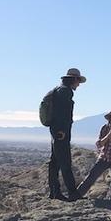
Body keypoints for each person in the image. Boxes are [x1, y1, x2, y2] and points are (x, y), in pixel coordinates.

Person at [77, 105, 111, 203]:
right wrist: (108, 136)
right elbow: (99, 144)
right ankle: (76, 196)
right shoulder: (105, 128)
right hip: (104, 158)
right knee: (91, 178)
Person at [47, 68, 86, 202]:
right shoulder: (65, 91)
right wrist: (62, 130)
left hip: (56, 131)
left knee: (55, 162)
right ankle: (72, 193)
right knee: (65, 163)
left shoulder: (59, 89)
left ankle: (54, 192)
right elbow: (62, 113)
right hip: (61, 132)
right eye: (78, 81)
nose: (79, 84)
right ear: (74, 79)